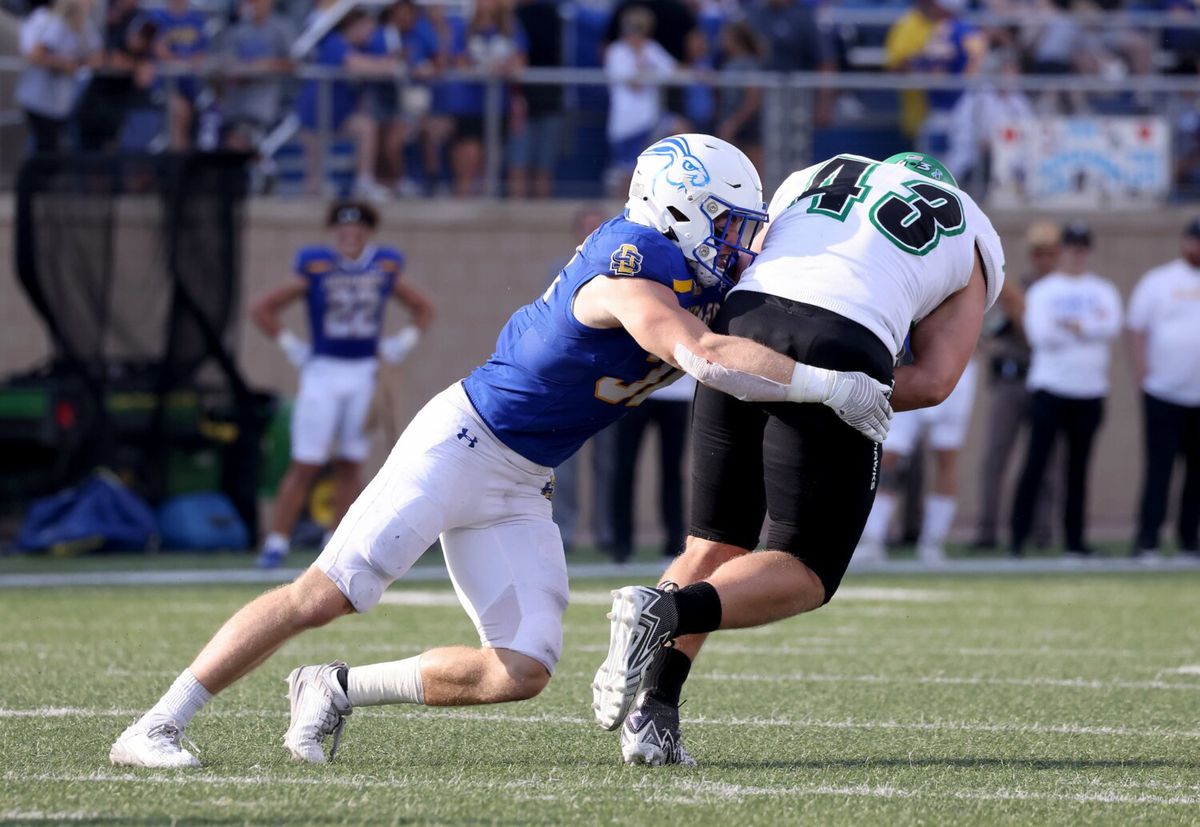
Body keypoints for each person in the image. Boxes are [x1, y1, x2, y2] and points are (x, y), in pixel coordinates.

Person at [108, 134, 890, 769]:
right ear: (676, 211)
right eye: (725, 223)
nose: (738, 243)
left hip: (521, 479)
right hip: (461, 442)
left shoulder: (697, 272)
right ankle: (157, 723)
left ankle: (333, 688)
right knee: (326, 594)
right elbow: (704, 357)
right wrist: (830, 385)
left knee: (520, 668)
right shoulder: (632, 264)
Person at [592, 151, 1005, 766]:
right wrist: (852, 383)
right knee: (804, 568)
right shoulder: (970, 226)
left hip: (744, 322)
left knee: (713, 541)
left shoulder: (820, 171)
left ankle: (656, 714)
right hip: (846, 337)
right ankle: (666, 610)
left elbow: (750, 252)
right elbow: (937, 379)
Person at [249, 201, 435, 570]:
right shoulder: (315, 264)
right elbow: (262, 308)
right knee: (305, 461)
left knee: (351, 460)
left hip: (365, 372)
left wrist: (402, 343)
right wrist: (292, 346)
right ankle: (276, 542)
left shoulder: (384, 264)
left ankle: (334, 540)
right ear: (334, 231)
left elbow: (424, 308)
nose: (350, 235)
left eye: (358, 229)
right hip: (323, 371)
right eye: (343, 229)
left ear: (368, 231)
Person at [1009, 222, 1122, 558]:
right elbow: (1041, 335)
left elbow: (1111, 325)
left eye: (1081, 247)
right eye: (1070, 247)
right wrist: (1088, 328)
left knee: (1078, 468)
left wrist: (1076, 326)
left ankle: (1075, 540)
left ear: (1088, 251)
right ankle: (1018, 538)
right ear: (1063, 251)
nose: (1076, 254)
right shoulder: (1044, 291)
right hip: (1050, 387)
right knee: (1036, 463)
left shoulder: (1103, 289)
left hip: (1090, 391)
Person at [972, 220, 1060, 550]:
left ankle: (1043, 532)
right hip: (1012, 380)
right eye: (1039, 253)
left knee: (1046, 463)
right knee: (995, 457)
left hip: (1047, 382)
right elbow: (988, 334)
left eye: (1050, 253)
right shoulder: (1014, 293)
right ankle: (987, 531)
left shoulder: (1061, 295)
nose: (1044, 260)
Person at [855, 357, 977, 566]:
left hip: (954, 367)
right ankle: (873, 538)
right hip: (910, 365)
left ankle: (933, 541)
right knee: (890, 455)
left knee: (946, 458)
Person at [1126, 218, 1200, 561]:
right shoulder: (1159, 281)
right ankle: (1147, 540)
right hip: (1163, 392)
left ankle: (1189, 541)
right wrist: (1143, 374)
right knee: (1160, 469)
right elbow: (1137, 328)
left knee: (1195, 475)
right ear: (1185, 242)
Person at [295, 10, 395, 200]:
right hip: (314, 115)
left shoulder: (364, 48)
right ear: (353, 26)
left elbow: (380, 64)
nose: (370, 33)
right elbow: (355, 64)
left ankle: (364, 182)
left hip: (341, 114)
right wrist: (384, 65)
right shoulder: (334, 42)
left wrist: (383, 64)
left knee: (366, 127)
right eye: (366, 27)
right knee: (315, 178)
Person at [603, 6, 676, 195]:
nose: (637, 33)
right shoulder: (616, 51)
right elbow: (634, 83)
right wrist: (648, 70)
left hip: (649, 121)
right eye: (633, 28)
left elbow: (672, 70)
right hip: (625, 124)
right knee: (626, 175)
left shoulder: (652, 48)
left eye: (642, 28)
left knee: (677, 128)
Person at [17, 0, 100, 153]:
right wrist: (61, 64)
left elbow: (96, 57)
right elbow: (35, 54)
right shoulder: (48, 20)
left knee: (51, 151)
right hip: (38, 99)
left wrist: (77, 64)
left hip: (61, 103)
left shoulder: (83, 25)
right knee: (43, 151)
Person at [216, 0, 295, 153]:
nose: (255, 4)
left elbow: (293, 63)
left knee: (239, 142)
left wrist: (264, 66)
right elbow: (226, 63)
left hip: (266, 103)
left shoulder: (281, 28)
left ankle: (261, 170)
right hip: (236, 102)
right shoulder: (238, 30)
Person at [148, 0, 208, 150]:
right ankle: (177, 165)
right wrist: (185, 62)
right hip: (162, 86)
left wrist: (186, 62)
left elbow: (202, 54)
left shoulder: (197, 19)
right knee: (179, 112)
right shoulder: (155, 17)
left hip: (191, 86)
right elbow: (157, 49)